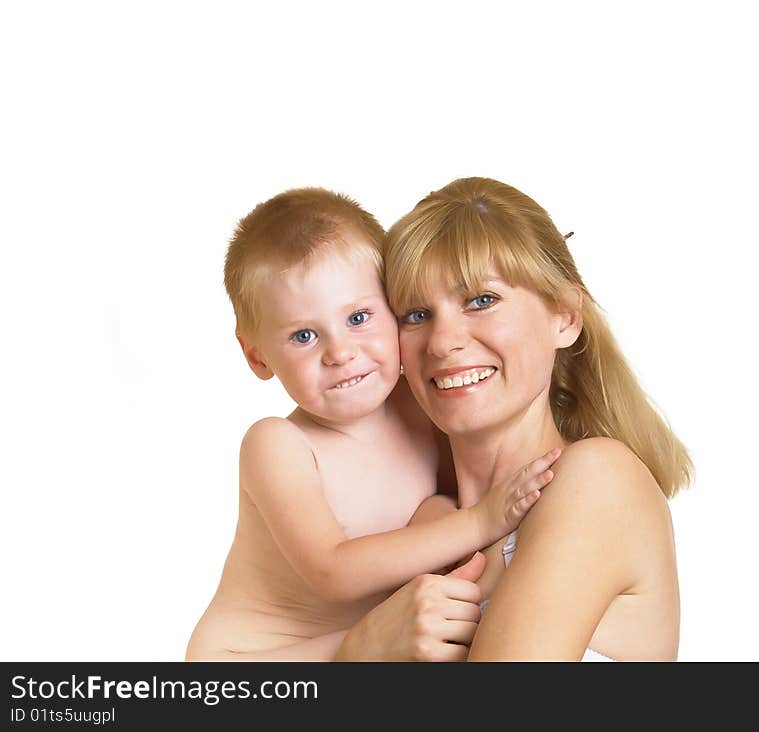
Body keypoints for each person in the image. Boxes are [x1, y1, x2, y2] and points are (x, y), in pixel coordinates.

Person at [185, 187, 559, 661]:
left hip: (372, 642)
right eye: (304, 335)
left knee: (437, 512)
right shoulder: (278, 445)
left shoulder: (421, 408)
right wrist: (479, 521)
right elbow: (333, 572)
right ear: (257, 356)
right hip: (252, 662)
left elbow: (448, 510)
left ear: (396, 311)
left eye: (359, 317)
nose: (340, 353)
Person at [364, 176, 694, 661]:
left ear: (564, 316)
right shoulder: (417, 531)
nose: (442, 341)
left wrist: (363, 650)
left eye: (481, 300)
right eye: (416, 314)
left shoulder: (597, 480)